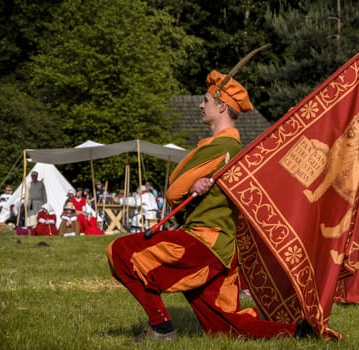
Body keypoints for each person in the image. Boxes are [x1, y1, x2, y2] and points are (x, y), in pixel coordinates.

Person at [107, 69, 311, 342]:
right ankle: (299, 332)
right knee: (224, 327)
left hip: (204, 243)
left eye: (206, 100)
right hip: (224, 251)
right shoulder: (230, 149)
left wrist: (189, 187)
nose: (201, 105)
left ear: (222, 106)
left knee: (120, 251)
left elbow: (173, 191)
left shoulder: (221, 148)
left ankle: (161, 327)